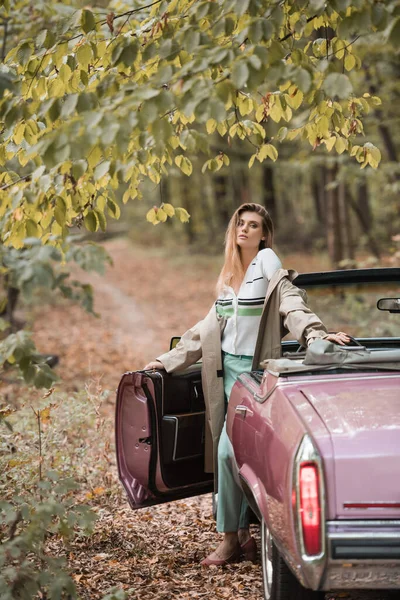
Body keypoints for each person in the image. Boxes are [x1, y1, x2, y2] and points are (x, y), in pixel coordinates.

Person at [144, 203, 350, 567]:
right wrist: (167, 360)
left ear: (264, 234)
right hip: (221, 376)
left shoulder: (268, 262)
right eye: (240, 223)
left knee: (227, 452)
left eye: (253, 225)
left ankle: (228, 541)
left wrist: (317, 334)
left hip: (252, 376)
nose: (244, 229)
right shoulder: (228, 276)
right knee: (224, 454)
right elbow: (206, 330)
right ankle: (242, 537)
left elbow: (291, 301)